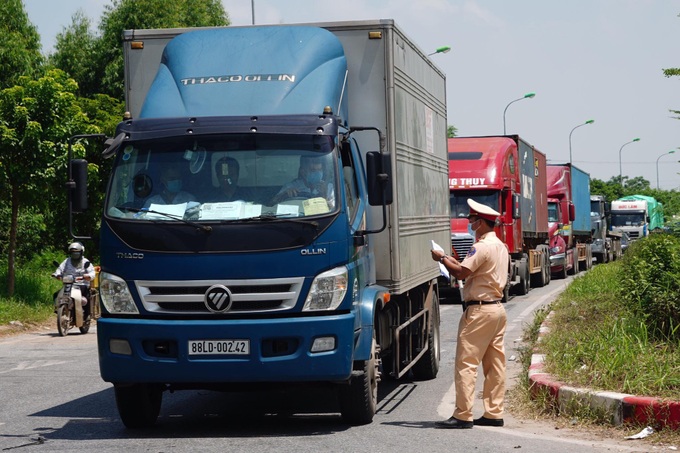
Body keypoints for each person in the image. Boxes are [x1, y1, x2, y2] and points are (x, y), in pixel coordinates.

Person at [430, 199, 509, 429]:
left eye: (472, 220)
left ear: (481, 223)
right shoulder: (500, 246)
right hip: (497, 309)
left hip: (479, 311)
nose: (470, 224)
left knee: (466, 363)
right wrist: (449, 258)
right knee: (495, 365)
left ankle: (463, 415)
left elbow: (462, 273)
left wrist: (441, 259)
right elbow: (469, 267)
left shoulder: (481, 247)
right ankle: (494, 413)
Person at [271, 155, 335, 209]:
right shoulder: (290, 186)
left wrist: (324, 195)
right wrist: (284, 194)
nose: (317, 173)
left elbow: (335, 212)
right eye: (313, 170)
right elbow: (271, 204)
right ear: (302, 171)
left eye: (320, 170)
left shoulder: (330, 188)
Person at [53, 242, 96, 320]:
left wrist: (87, 276)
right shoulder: (67, 261)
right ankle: (59, 311)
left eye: (77, 253)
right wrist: (57, 274)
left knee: (86, 296)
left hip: (82, 284)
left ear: (81, 253)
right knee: (56, 294)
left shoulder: (85, 262)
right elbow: (60, 269)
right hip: (68, 284)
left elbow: (92, 272)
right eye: (73, 253)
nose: (75, 255)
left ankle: (87, 315)